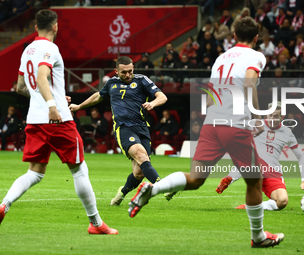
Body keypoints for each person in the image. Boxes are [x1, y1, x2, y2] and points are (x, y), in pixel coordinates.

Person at [128, 17, 284, 248]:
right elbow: (250, 84)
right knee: (254, 182)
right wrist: (258, 118)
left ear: (233, 34)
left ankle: (153, 188)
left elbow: (210, 94)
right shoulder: (256, 55)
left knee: (196, 178)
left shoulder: (222, 57)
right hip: (236, 125)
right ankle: (259, 237)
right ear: (256, 37)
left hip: (213, 124)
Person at [0, 9, 117, 235]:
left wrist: (52, 95)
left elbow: (22, 87)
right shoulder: (50, 48)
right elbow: (43, 77)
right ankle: (96, 224)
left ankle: (4, 204)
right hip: (58, 119)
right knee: (80, 170)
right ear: (55, 26)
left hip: (35, 120)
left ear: (35, 27)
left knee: (35, 172)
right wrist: (53, 104)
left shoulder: (28, 51)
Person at [69, 56, 168, 206]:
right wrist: (79, 106)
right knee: (142, 156)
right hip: (124, 128)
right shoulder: (111, 83)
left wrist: (153, 103)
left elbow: (162, 96)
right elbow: (98, 96)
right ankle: (163, 186)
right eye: (124, 73)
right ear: (116, 71)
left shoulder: (142, 80)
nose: (128, 75)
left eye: (130, 71)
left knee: (139, 172)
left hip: (142, 128)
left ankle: (121, 193)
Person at [216, 102, 304, 211]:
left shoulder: (286, 132)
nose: (272, 118)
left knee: (282, 201)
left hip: (272, 172)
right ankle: (230, 178)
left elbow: (300, 157)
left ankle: (252, 206)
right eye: (270, 115)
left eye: (275, 116)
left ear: (282, 117)